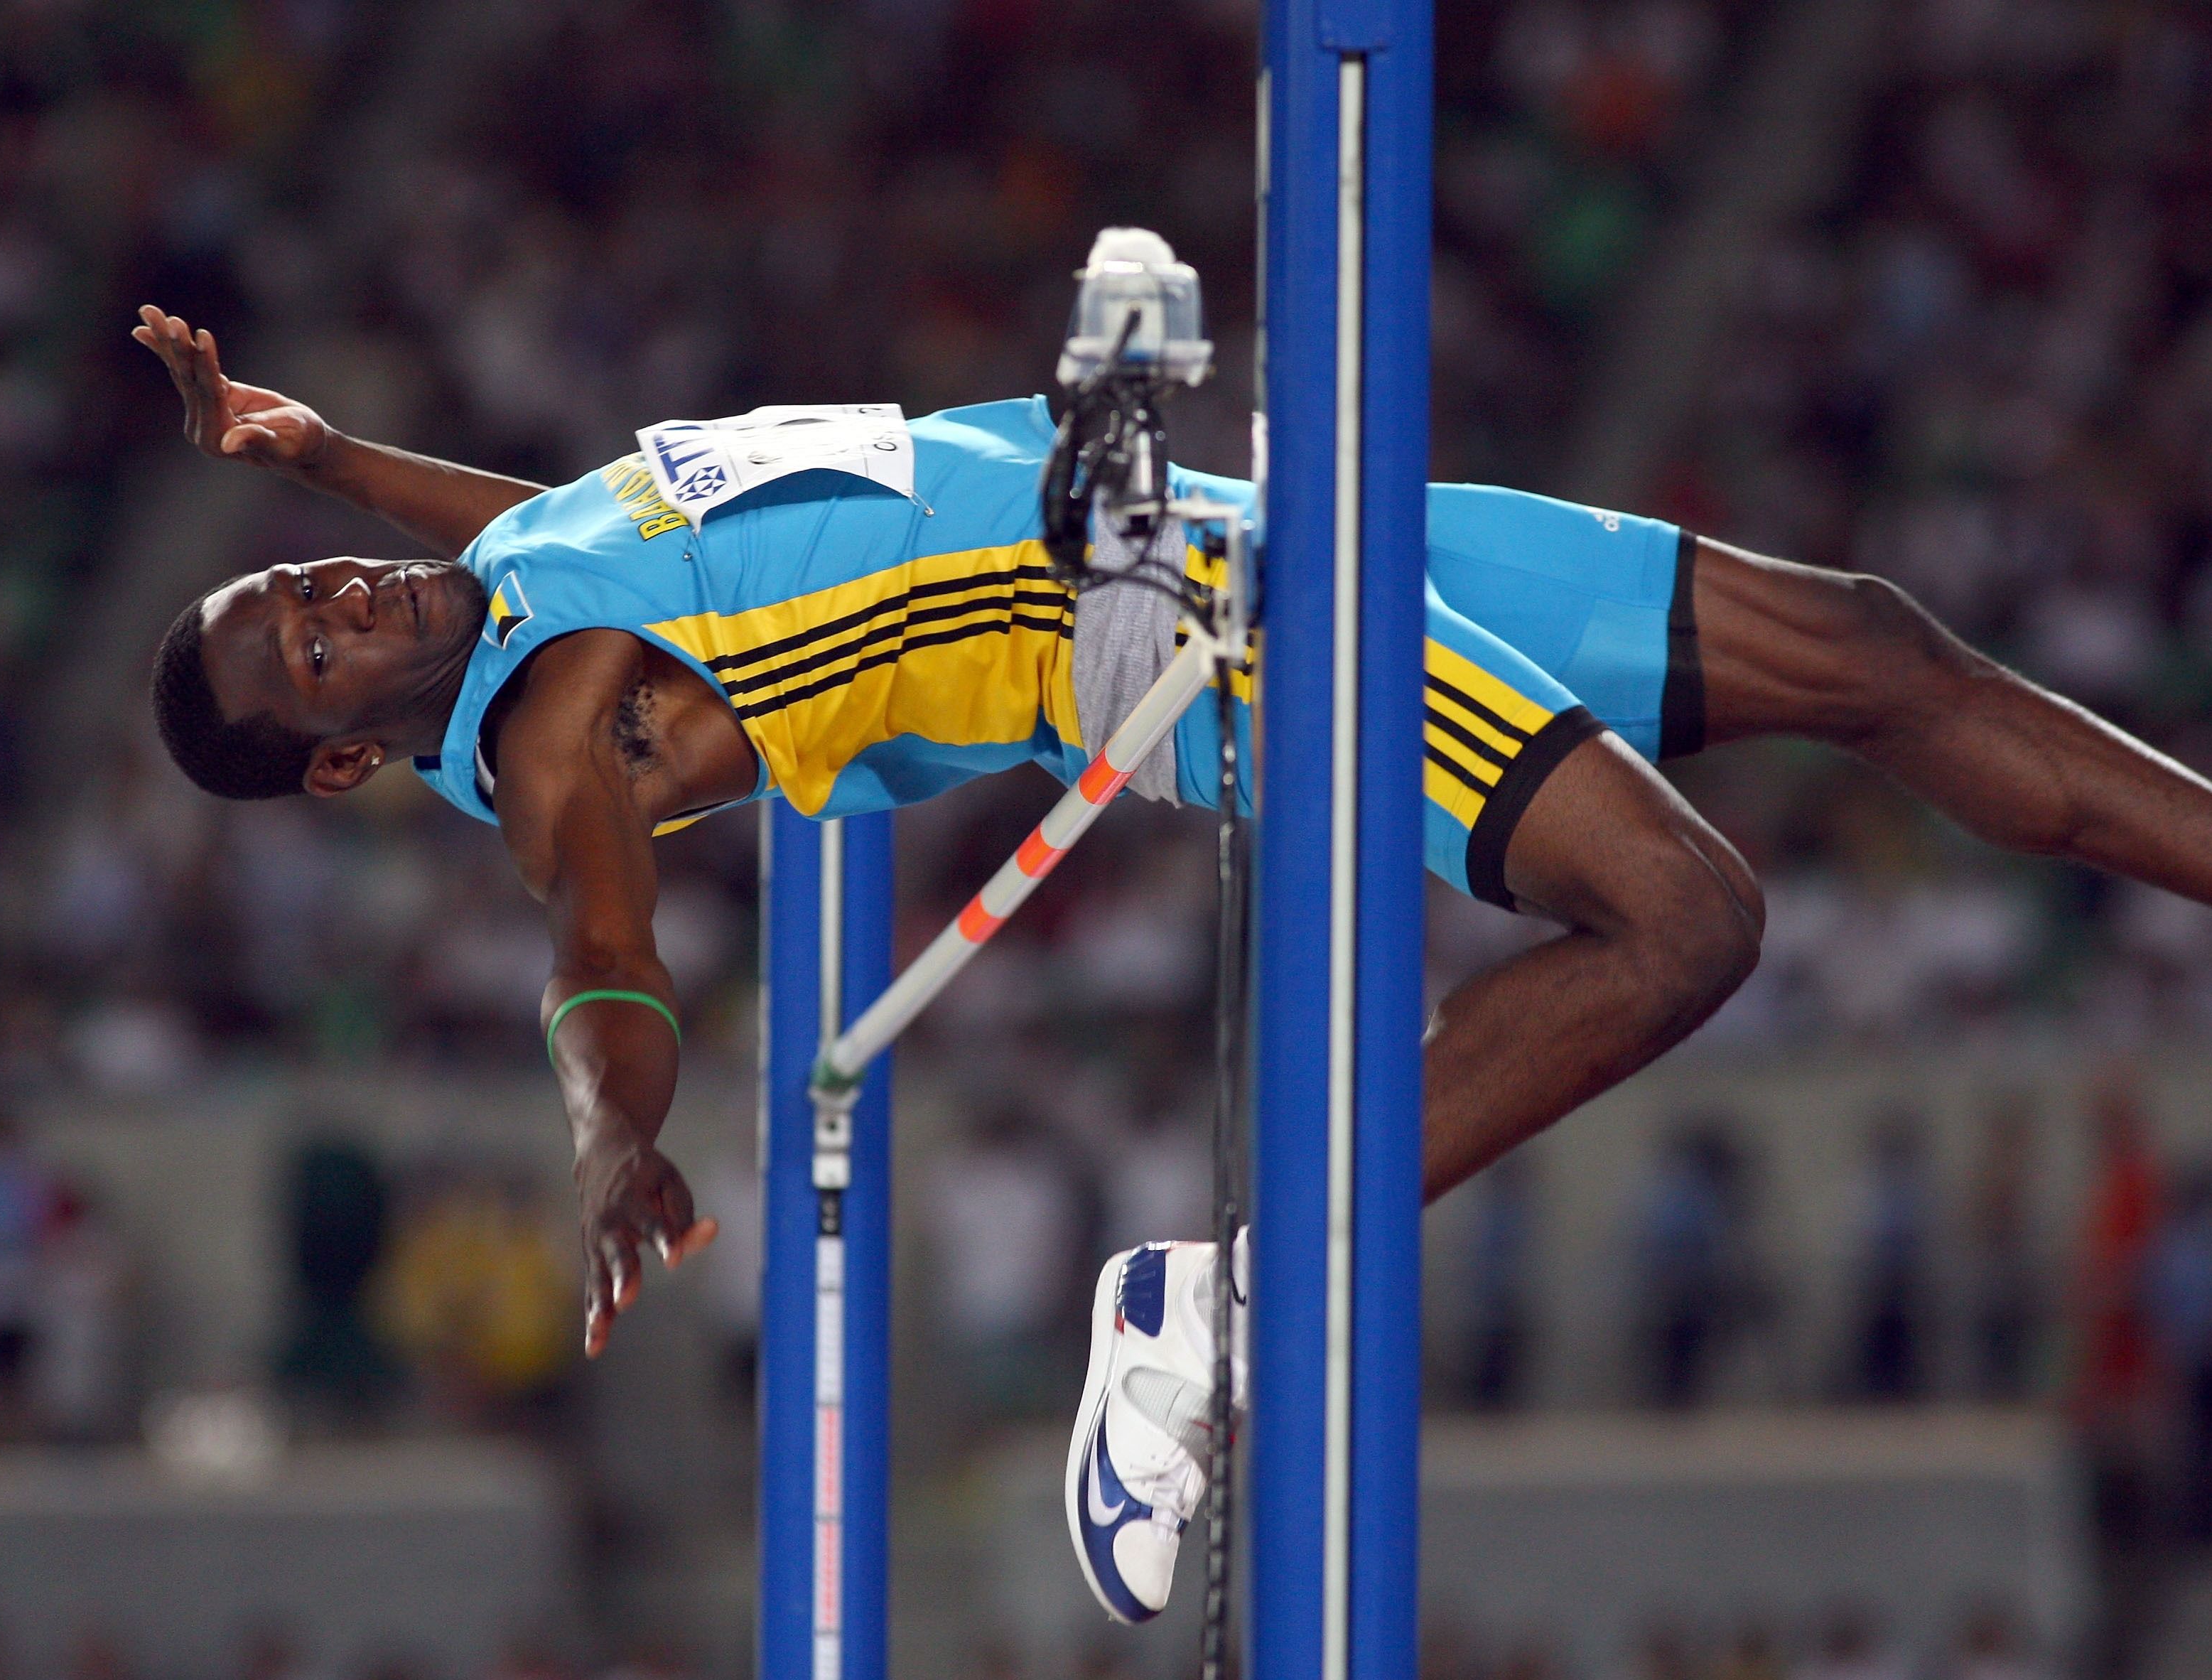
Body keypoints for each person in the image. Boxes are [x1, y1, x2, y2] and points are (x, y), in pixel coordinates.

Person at [131, 276, 2212, 1619]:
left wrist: (324, 456)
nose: (348, 602)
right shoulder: (553, 728)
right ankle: (1221, 1297)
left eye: (314, 578)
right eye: (316, 649)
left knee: (1862, 641)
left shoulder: (497, 570)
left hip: (1227, 504)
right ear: (340, 771)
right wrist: (609, 1135)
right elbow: (599, 947)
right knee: (1686, 915)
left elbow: (543, 521)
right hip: (1188, 629)